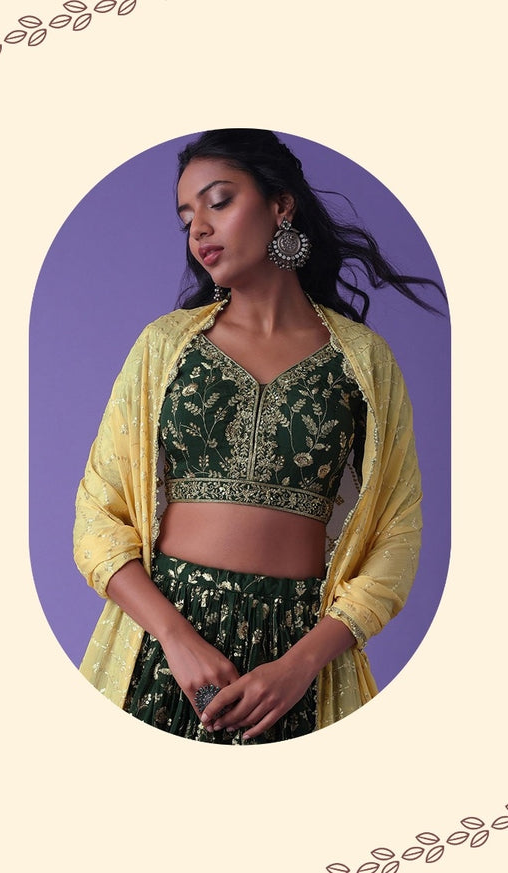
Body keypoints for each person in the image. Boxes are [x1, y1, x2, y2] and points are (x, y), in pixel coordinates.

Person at [73, 129, 445, 744]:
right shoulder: (165, 346)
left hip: (300, 657)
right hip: (163, 646)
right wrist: (176, 638)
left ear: (281, 205)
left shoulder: (364, 362)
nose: (198, 229)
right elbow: (97, 518)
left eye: (218, 202)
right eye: (186, 218)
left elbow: (397, 538)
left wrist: (301, 664)